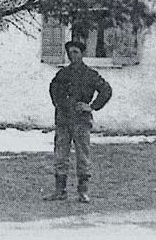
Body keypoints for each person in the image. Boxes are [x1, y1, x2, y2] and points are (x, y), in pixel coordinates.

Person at [44, 39, 113, 203]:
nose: (72, 56)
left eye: (75, 52)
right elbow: (53, 88)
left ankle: (83, 192)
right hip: (63, 120)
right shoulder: (62, 74)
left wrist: (91, 107)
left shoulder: (90, 74)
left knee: (83, 155)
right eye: (69, 53)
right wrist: (59, 104)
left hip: (81, 121)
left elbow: (106, 90)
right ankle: (60, 190)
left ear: (82, 54)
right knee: (61, 154)